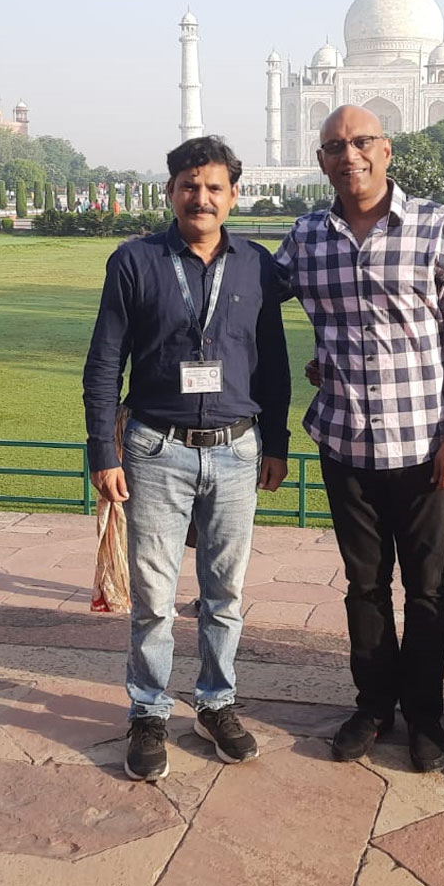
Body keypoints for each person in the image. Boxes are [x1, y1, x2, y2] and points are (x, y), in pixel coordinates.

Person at [275, 104, 444, 774]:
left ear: (386, 150)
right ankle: (372, 706)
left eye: (362, 142)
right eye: (335, 145)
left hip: (422, 444)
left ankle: (424, 715)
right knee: (364, 587)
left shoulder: (438, 226)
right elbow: (246, 293)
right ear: (321, 161)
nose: (349, 155)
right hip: (346, 440)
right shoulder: (307, 238)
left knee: (426, 586)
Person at [83, 134, 290, 783]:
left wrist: (278, 441)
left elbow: (274, 360)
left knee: (224, 593)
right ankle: (148, 711)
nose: (201, 197)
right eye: (188, 186)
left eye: (214, 187)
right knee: (152, 595)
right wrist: (101, 450)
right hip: (154, 449)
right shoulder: (136, 262)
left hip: (235, 449)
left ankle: (215, 702)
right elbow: (105, 363)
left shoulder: (256, 265)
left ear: (233, 195)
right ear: (171, 192)